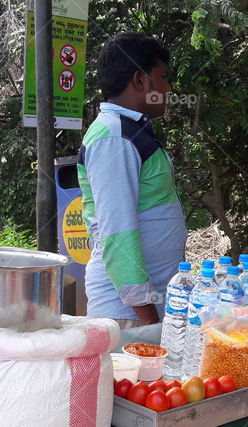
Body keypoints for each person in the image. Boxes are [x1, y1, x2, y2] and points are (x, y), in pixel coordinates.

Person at [77, 32, 188, 329]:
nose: (168, 88)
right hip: (127, 313)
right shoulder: (114, 137)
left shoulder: (131, 130)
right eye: (163, 77)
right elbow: (117, 236)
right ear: (140, 81)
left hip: (143, 307)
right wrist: (150, 321)